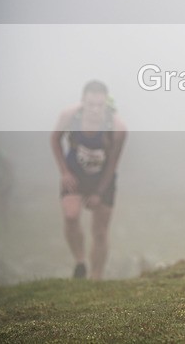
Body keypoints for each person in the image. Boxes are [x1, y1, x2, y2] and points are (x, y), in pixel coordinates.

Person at [50, 80, 127, 279]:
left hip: (103, 178)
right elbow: (54, 140)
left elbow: (112, 164)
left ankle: (96, 277)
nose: (94, 109)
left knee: (100, 231)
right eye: (90, 104)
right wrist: (64, 172)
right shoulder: (69, 116)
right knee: (71, 215)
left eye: (99, 105)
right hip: (75, 173)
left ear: (106, 104)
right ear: (83, 101)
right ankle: (80, 261)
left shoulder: (117, 127)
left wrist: (98, 193)